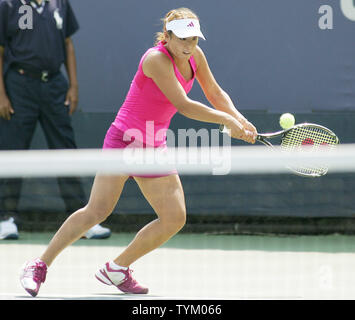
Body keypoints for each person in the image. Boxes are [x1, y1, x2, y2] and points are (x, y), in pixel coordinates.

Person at [19, 7, 258, 297]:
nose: (188, 45)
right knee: (96, 211)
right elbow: (183, 104)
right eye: (182, 39)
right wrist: (226, 121)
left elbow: (215, 92)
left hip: (154, 146)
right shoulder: (155, 59)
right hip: (124, 141)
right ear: (167, 36)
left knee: (174, 217)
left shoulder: (195, 56)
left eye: (193, 39)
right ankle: (39, 265)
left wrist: (239, 119)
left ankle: (117, 269)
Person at [0, 0, 111, 240]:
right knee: (13, 152)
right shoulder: (8, 5)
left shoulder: (59, 4)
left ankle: (81, 220)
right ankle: (6, 219)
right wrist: (1, 94)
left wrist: (73, 85)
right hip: (19, 85)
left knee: (65, 151)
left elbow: (68, 44)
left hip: (54, 85)